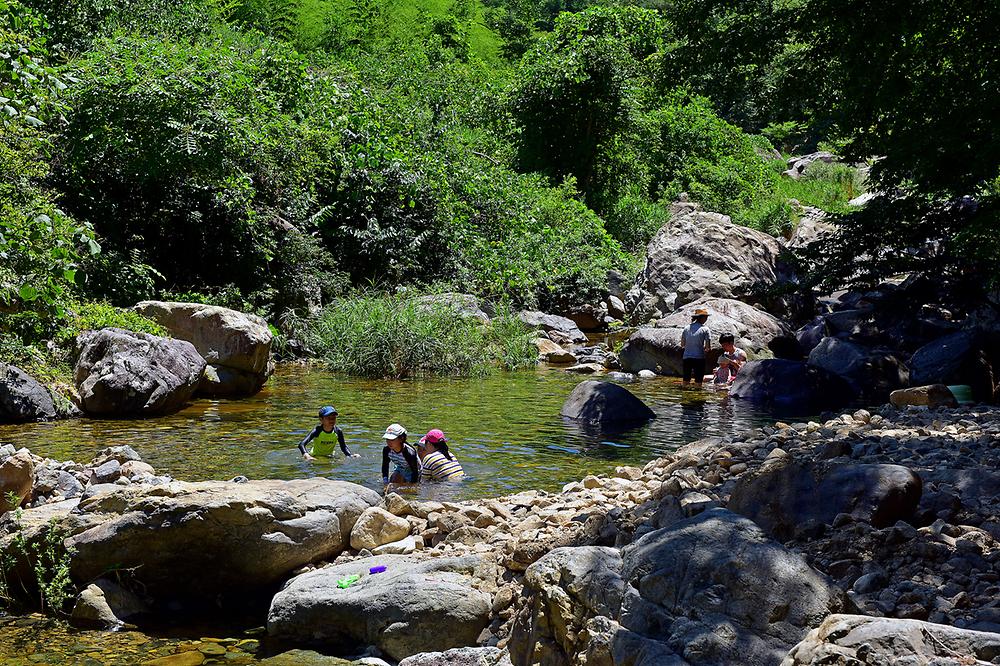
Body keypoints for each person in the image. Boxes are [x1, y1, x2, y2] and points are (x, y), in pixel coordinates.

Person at [680, 307, 712, 384]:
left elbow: (682, 345)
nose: (706, 319)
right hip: (699, 357)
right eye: (706, 317)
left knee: (686, 379)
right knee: (698, 380)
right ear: (703, 318)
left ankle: (685, 394)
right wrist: (706, 349)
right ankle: (698, 395)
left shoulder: (686, 328)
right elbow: (708, 347)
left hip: (687, 357)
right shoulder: (705, 329)